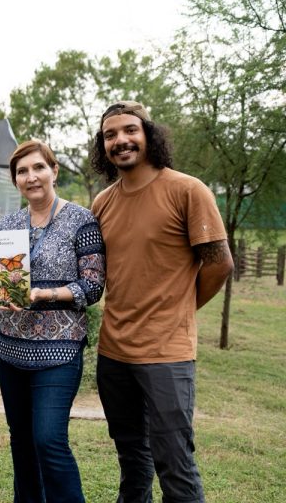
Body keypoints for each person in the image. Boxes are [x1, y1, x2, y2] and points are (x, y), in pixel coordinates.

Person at [89, 100, 234, 502]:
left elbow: (219, 264)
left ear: (148, 135)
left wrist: (180, 309)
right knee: (132, 457)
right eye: (110, 135)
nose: (120, 140)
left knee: (175, 462)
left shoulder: (187, 190)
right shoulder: (103, 202)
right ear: (103, 146)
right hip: (113, 352)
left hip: (166, 355)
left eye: (129, 130)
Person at [0, 139, 106, 502]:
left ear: (54, 170)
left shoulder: (81, 220)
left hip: (59, 349)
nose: (31, 176)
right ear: (15, 180)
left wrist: (47, 294)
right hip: (9, 346)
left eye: (38, 167)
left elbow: (93, 285)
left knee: (49, 439)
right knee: (21, 439)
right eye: (22, 171)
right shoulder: (9, 223)